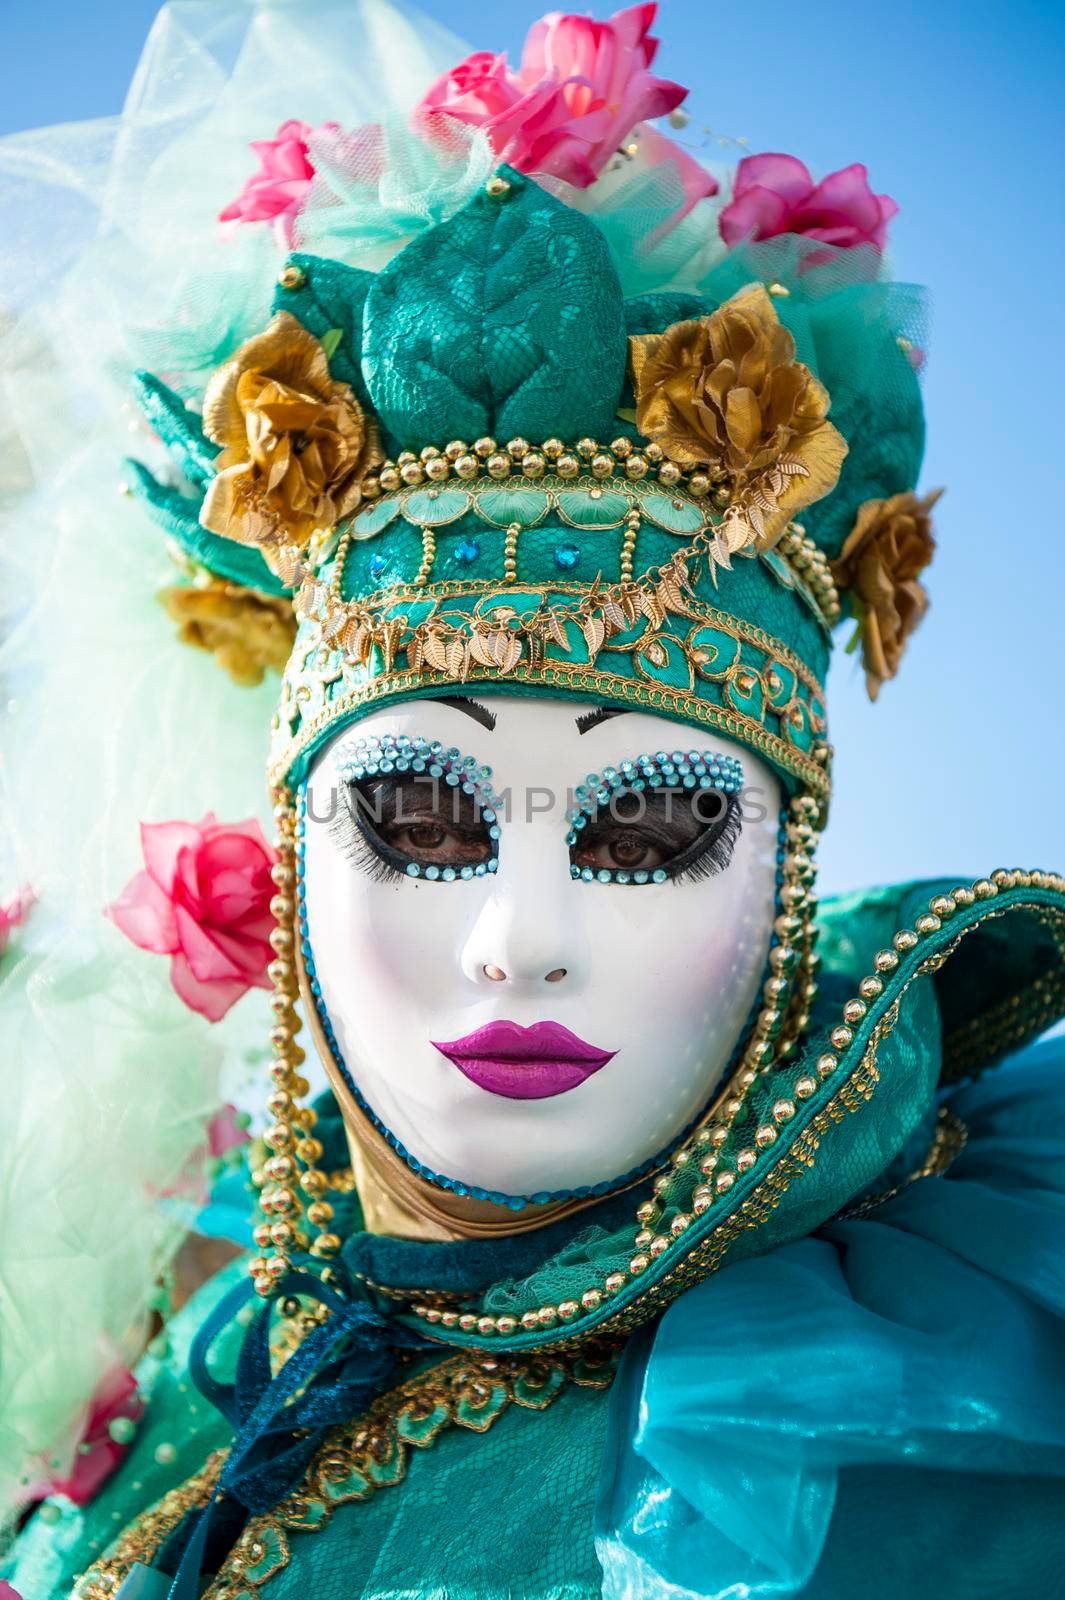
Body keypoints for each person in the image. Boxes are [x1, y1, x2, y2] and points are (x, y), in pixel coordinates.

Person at [3, 3, 1065, 1596]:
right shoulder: (184, 1346)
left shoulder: (919, 1394)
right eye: (418, 822)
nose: (517, 940)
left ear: (781, 864)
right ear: (296, 847)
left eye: (650, 835)